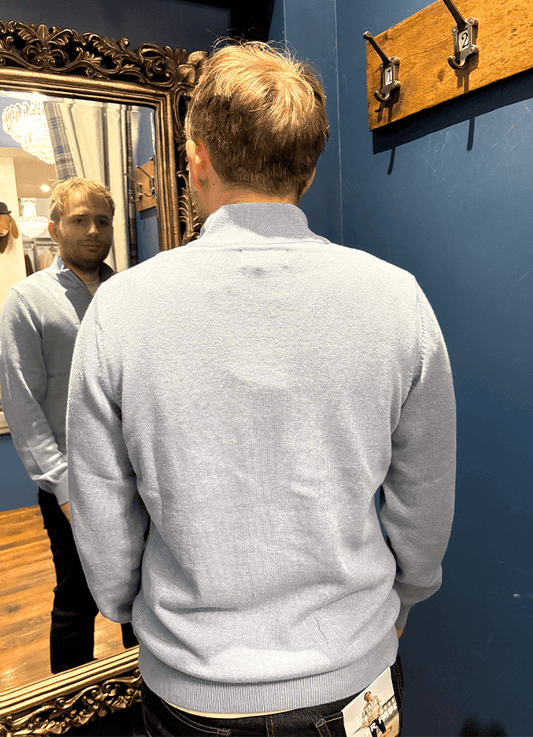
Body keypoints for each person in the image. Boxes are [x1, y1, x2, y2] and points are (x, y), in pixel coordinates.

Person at [67, 42, 456, 735]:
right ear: (308, 168)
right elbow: (424, 496)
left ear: (196, 161)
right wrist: (400, 599)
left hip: (193, 682)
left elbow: (102, 510)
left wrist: (134, 607)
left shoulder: (120, 309)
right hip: (353, 668)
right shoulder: (397, 300)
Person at [0, 177, 136, 674]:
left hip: (135, 475)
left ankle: (143, 687)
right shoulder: (27, 301)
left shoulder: (129, 293)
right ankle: (72, 703)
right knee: (77, 596)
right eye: (80, 220)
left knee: (143, 588)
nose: (94, 231)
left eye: (103, 221)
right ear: (55, 228)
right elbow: (21, 402)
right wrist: (60, 486)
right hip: (73, 483)